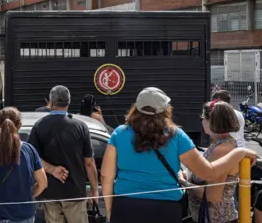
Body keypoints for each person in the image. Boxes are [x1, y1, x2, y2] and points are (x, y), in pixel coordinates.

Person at [101, 87, 258, 223]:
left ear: (136, 109)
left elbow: (106, 177)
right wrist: (239, 152)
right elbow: (208, 172)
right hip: (165, 210)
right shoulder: (176, 136)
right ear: (165, 109)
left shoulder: (119, 133)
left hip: (125, 207)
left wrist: (110, 210)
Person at [28, 85, 98, 223]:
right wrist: (94, 190)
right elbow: (89, 163)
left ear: (51, 102)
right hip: (75, 194)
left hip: (50, 193)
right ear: (69, 102)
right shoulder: (80, 126)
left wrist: (52, 169)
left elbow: (31, 156)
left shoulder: (39, 126)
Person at [0, 107, 48, 223]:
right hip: (26, 215)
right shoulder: (30, 150)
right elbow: (43, 183)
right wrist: (29, 196)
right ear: (20, 125)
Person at [179, 100, 240, 223]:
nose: (201, 121)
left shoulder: (220, 150)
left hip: (216, 218)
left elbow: (212, 196)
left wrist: (184, 182)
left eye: (203, 117)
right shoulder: (221, 143)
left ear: (211, 121)